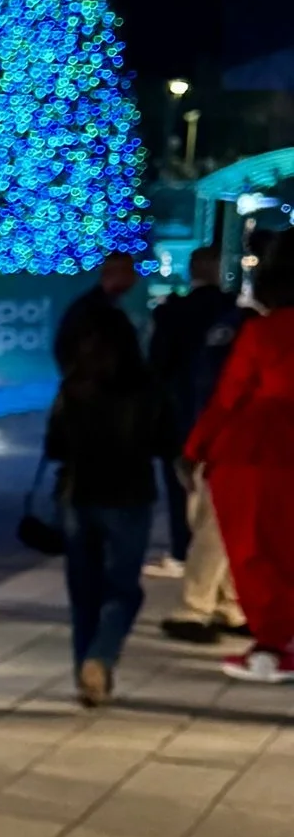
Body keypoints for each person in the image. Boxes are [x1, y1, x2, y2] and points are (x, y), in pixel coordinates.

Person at [42, 295, 172, 703]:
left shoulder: (74, 388)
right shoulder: (148, 387)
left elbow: (55, 447)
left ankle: (87, 673)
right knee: (124, 589)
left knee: (84, 593)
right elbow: (166, 441)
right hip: (130, 495)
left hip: (79, 496)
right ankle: (100, 658)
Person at [186, 233, 294, 686]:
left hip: (262, 449)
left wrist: (195, 448)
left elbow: (228, 398)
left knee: (257, 546)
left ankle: (273, 644)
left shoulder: (264, 332)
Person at [149, 246, 246, 585]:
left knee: (180, 489)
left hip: (179, 414)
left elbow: (157, 367)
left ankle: (181, 550)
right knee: (217, 495)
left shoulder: (172, 312)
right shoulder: (234, 313)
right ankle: (217, 563)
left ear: (192, 270)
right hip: (223, 417)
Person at [54, 250, 140, 370]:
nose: (134, 278)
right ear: (113, 273)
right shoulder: (96, 312)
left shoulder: (94, 307)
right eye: (129, 271)